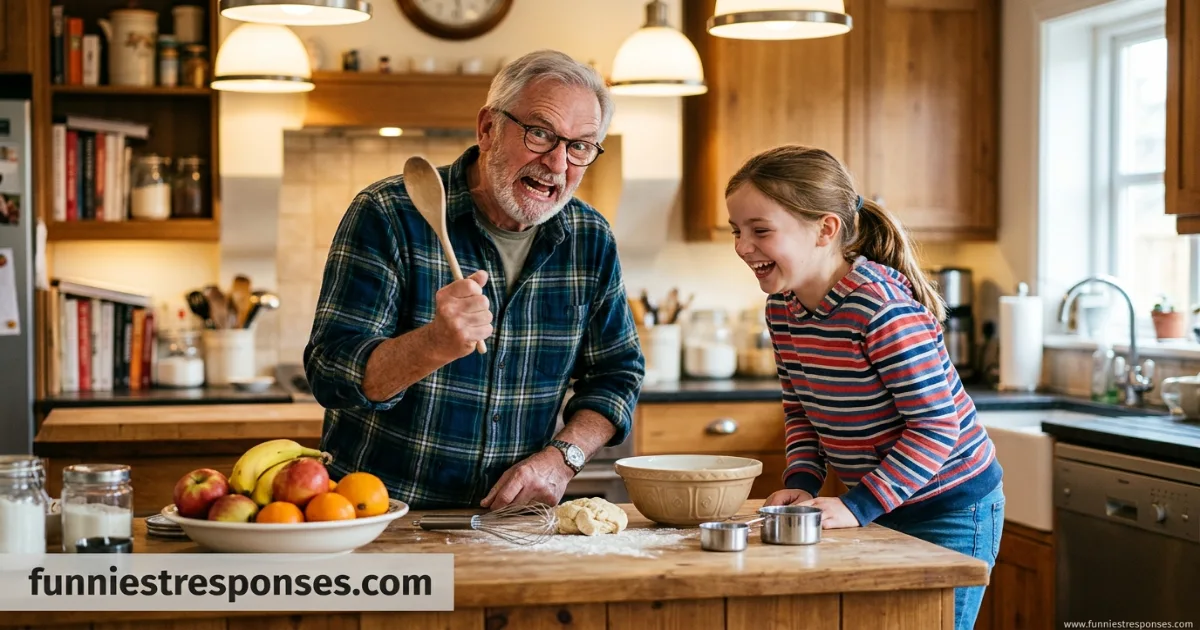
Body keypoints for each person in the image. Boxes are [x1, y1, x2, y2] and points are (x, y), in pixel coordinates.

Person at [303, 49, 644, 512]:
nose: (559, 164)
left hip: (511, 524)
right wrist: (433, 344)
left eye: (580, 146)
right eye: (540, 133)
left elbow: (616, 374)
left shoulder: (589, 238)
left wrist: (563, 458)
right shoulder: (389, 214)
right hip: (382, 519)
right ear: (488, 128)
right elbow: (329, 372)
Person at [724, 144, 1004, 630]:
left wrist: (860, 504)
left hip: (950, 508)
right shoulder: (783, 311)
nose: (742, 246)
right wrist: (802, 482)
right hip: (879, 501)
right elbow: (802, 412)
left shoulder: (879, 309)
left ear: (825, 229)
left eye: (760, 231)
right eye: (737, 231)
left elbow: (937, 424)